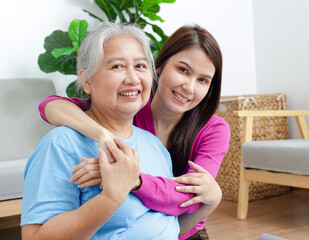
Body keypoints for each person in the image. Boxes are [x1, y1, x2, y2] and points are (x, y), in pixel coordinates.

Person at [38, 24, 230, 240]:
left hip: (186, 228)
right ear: (159, 66)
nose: (189, 87)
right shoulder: (128, 107)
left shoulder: (213, 129)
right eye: (182, 70)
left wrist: (129, 177)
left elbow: (191, 195)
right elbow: (51, 105)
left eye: (203, 80)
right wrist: (103, 136)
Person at [21, 22, 180, 239]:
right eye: (117, 66)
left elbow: (167, 224)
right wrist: (111, 197)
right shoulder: (61, 145)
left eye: (141, 66)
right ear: (87, 81)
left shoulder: (154, 145)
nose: (133, 78)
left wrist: (210, 203)